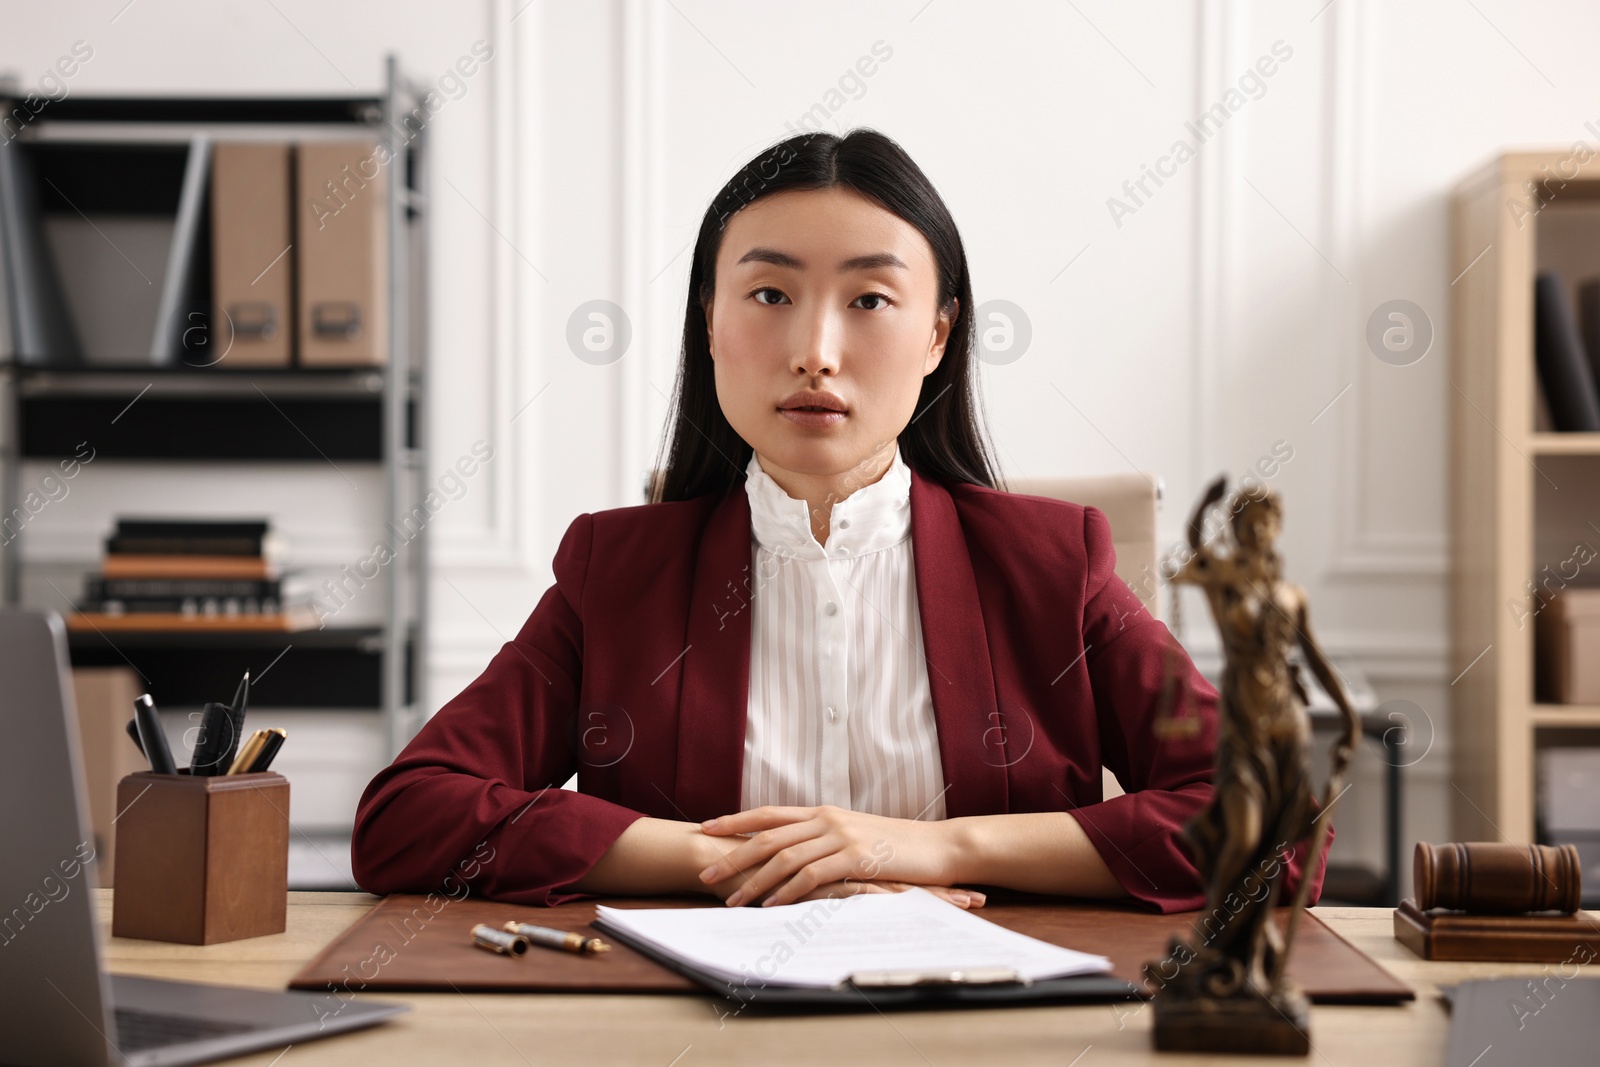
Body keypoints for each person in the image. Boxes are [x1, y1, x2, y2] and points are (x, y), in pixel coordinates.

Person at [351, 128, 1332, 913]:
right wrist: (718, 858)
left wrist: (931, 845)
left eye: (869, 298)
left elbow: (1278, 821)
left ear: (937, 333)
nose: (814, 350)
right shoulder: (617, 570)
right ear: (708, 319)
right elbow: (408, 817)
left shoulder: (1050, 563)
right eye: (770, 293)